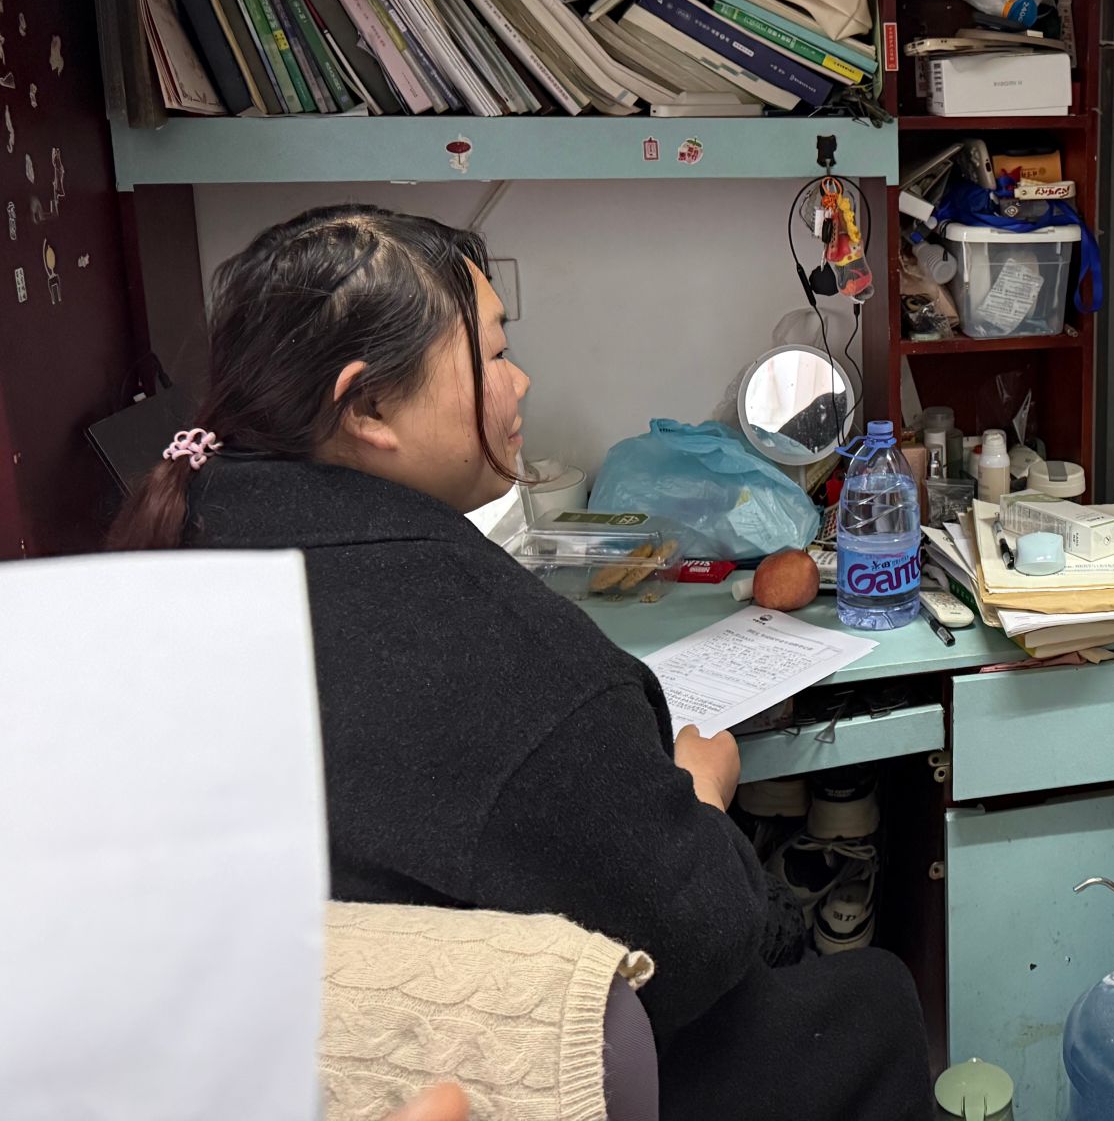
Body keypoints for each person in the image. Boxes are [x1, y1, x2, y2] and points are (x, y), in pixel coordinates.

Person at [109, 205, 931, 1121]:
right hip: (507, 1078)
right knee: (872, 1003)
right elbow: (696, 941)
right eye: (496, 355)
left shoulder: (177, 548)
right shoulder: (502, 654)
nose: (521, 380)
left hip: (285, 1067)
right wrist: (701, 794)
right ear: (369, 407)